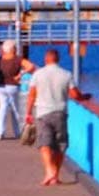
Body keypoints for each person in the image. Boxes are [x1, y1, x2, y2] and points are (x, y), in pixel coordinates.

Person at [26, 49, 86, 186]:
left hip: (42, 113)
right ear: (58, 59)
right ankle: (55, 175)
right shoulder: (66, 74)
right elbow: (75, 95)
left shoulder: (38, 74)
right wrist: (84, 97)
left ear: (46, 60)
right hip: (60, 112)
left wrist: (28, 112)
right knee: (60, 145)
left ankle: (49, 171)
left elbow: (31, 95)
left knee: (44, 143)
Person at [0, 40, 34, 140]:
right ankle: (18, 132)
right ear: (13, 49)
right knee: (15, 110)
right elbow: (31, 67)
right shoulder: (18, 59)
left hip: (0, 87)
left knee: (3, 108)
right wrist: (20, 74)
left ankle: (0, 132)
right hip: (12, 86)